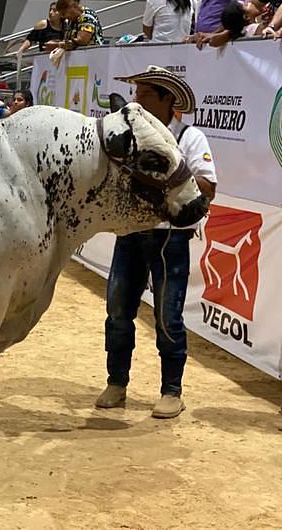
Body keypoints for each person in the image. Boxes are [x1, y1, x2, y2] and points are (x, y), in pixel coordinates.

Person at [96, 66, 217, 419]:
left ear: (168, 99)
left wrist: (156, 180)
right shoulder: (130, 134)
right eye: (137, 92)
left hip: (171, 237)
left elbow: (207, 188)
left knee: (168, 316)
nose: (138, 100)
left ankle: (171, 391)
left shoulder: (190, 137)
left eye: (146, 93)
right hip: (131, 231)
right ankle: (117, 383)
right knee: (118, 312)